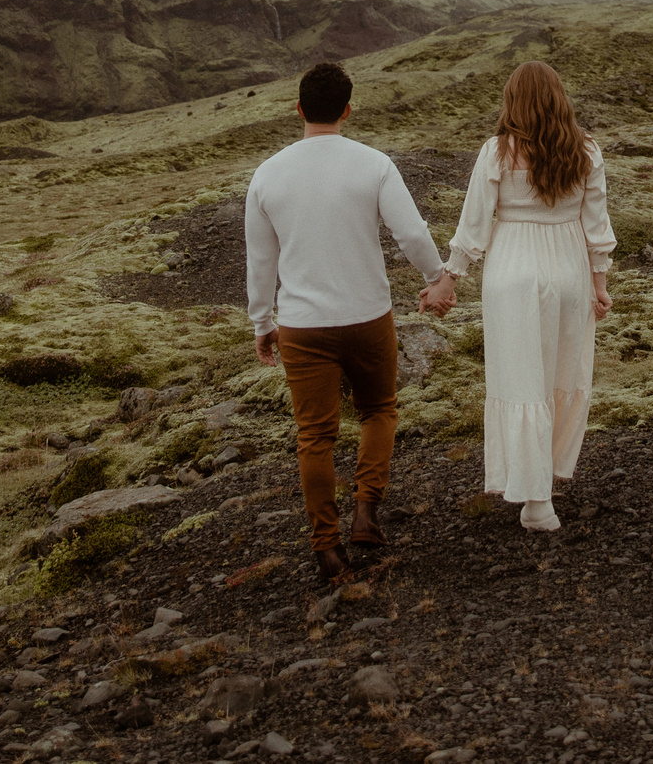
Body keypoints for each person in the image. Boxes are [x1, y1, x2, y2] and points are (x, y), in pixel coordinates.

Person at [246, 61, 447, 582]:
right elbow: (411, 234)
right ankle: (366, 511)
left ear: (298, 109)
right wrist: (437, 277)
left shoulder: (267, 175)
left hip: (301, 326)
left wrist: (261, 322)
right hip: (367, 316)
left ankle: (326, 549)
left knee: (315, 435)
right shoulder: (373, 164)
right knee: (379, 410)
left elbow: (260, 261)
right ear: (348, 109)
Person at [418, 60, 613, 532]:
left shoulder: (496, 153)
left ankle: (535, 499)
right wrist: (599, 285)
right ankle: (540, 487)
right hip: (567, 269)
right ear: (558, 98)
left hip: (511, 272)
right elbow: (597, 228)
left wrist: (449, 278)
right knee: (559, 373)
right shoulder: (585, 150)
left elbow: (474, 225)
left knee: (521, 380)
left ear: (512, 102)